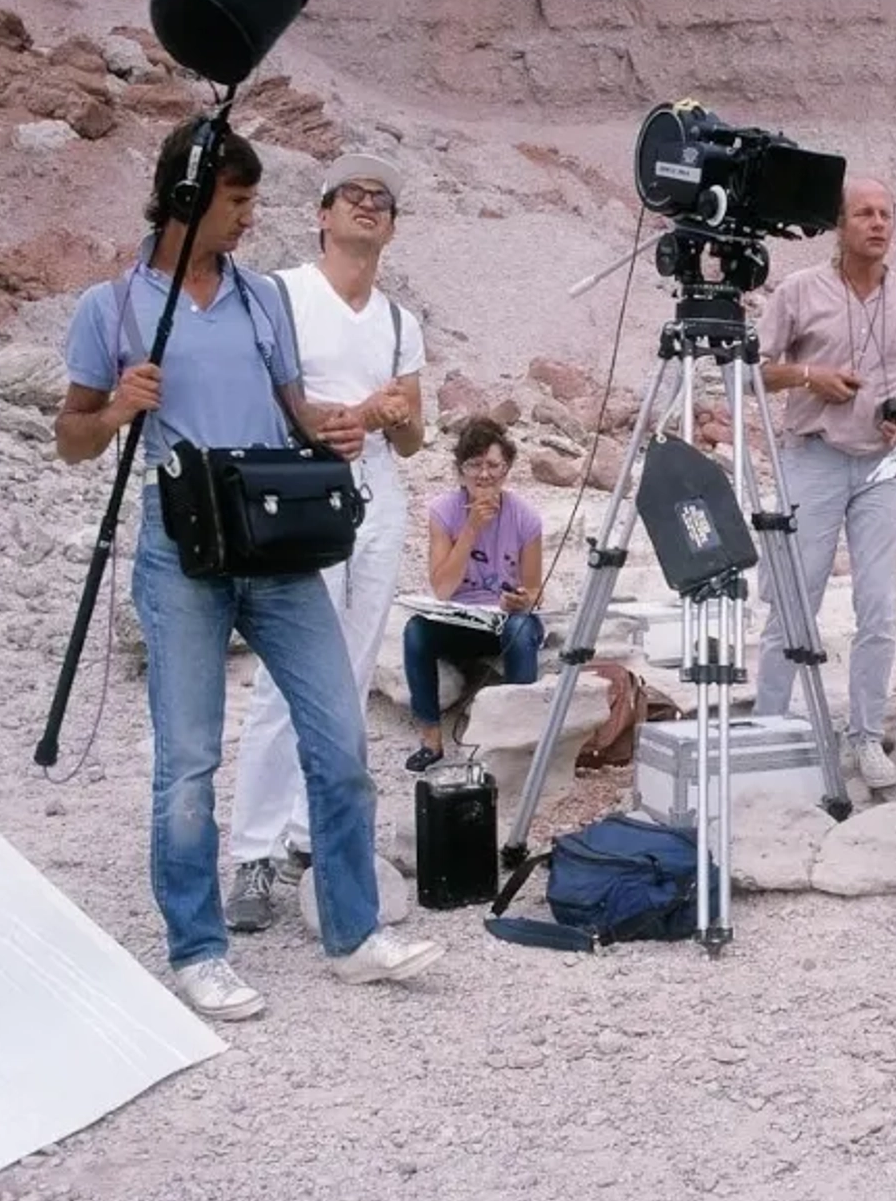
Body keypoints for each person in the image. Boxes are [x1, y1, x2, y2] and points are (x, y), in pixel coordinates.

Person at [55, 118, 443, 1021]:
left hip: (272, 540)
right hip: (180, 545)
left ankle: (354, 935)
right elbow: (70, 438)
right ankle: (198, 949)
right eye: (236, 203)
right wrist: (118, 408)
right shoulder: (111, 308)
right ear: (186, 202)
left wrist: (336, 429)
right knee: (188, 759)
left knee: (339, 738)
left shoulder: (261, 297)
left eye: (254, 202)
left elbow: (295, 410)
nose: (247, 220)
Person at [224, 154, 425, 932]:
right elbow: (254, 393)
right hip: (298, 499)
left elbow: (413, 439)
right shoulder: (281, 295)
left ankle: (313, 833)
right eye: (354, 195)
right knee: (287, 675)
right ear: (322, 213)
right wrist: (338, 414)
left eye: (383, 199)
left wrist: (393, 415)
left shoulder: (402, 321)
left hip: (376, 502)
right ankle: (255, 849)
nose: (369, 206)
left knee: (347, 670)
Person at [755, 176, 896, 790]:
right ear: (840, 225)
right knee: (793, 598)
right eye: (864, 213)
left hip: (882, 468)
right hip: (815, 459)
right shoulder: (800, 290)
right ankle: (770, 727)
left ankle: (864, 734)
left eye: (886, 213)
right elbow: (756, 369)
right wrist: (811, 375)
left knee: (880, 604)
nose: (878, 223)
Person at [402, 417, 545, 770]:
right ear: (460, 469)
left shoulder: (525, 517)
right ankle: (431, 739)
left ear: (506, 468)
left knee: (520, 627)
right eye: (474, 465)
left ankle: (514, 740)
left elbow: (535, 587)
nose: (484, 475)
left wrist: (522, 599)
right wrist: (471, 529)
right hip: (463, 617)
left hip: (505, 620)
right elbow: (442, 587)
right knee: (415, 631)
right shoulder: (443, 512)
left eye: (493, 466)